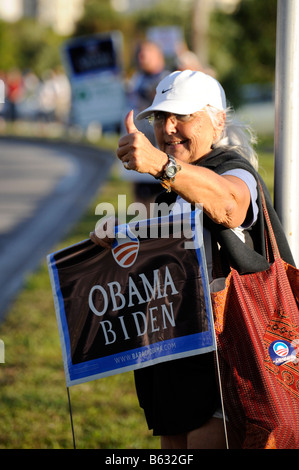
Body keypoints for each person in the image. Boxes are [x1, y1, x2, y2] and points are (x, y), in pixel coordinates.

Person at [90, 70, 294, 448]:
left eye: (182, 116)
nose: (167, 129)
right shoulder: (173, 190)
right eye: (159, 117)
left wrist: (161, 166)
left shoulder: (234, 169)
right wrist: (122, 234)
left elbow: (229, 205)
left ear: (217, 120)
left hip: (227, 362)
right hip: (177, 362)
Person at [121, 41, 170, 211]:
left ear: (158, 56)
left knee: (160, 203)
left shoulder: (167, 79)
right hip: (138, 145)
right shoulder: (136, 78)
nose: (142, 58)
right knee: (140, 202)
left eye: (146, 53)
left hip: (159, 149)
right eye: (140, 54)